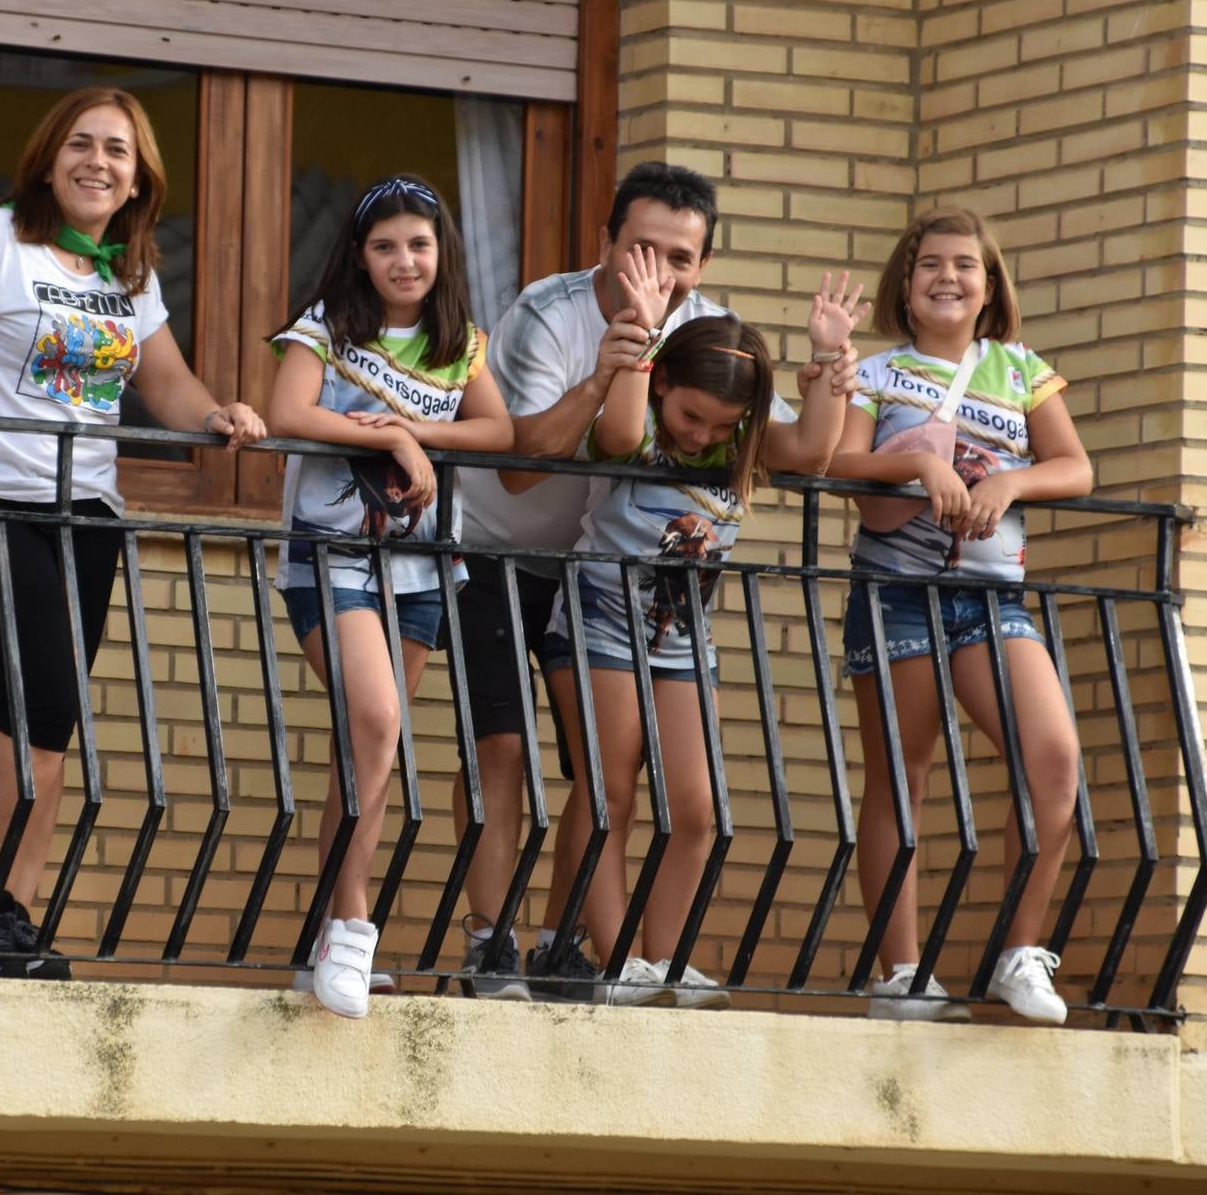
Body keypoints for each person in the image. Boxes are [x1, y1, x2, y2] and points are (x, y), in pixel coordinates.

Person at [448, 162, 858, 1002]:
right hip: (506, 560)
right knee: (510, 755)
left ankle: (583, 952)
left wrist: (828, 370)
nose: (660, 272)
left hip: (661, 617)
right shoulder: (549, 313)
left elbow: (800, 450)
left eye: (679, 257)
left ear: (701, 264)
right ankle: (496, 943)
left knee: (640, 791)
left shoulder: (712, 342)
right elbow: (528, 466)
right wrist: (624, 352)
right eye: (640, 248)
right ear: (605, 242)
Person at [0, 86, 265, 982]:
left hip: (84, 516)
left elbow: (165, 385)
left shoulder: (126, 275)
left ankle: (5, 918)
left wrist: (217, 416)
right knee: (44, 695)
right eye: (82, 145)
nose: (98, 162)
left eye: (118, 153)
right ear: (49, 158)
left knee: (45, 718)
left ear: (138, 182)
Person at [541, 281, 864, 1010]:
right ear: (661, 385)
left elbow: (813, 451)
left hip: (682, 638)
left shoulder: (742, 441)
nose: (699, 437)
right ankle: (616, 958)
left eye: (720, 426)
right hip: (596, 621)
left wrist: (827, 359)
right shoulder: (640, 426)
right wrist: (640, 334)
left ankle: (665, 959)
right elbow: (621, 434)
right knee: (610, 794)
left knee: (698, 808)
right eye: (690, 416)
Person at [828, 207, 1090, 1025]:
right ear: (903, 289)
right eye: (928, 264)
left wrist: (1008, 483)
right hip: (894, 590)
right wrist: (912, 465)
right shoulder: (875, 372)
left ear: (988, 287)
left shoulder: (1018, 370)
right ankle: (899, 976)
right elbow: (839, 465)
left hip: (991, 598)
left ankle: (1018, 956)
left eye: (964, 266)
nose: (947, 276)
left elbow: (1074, 468)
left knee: (1051, 757)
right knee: (902, 775)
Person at [266, 174, 513, 1019]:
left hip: (417, 573)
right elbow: (286, 408)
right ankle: (355, 927)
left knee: (363, 751)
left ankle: (328, 933)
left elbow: (497, 433)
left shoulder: (460, 343)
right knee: (374, 723)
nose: (403, 260)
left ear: (441, 252)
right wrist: (394, 441)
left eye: (418, 243)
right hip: (329, 559)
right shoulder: (327, 327)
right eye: (384, 246)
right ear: (359, 256)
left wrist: (416, 436)